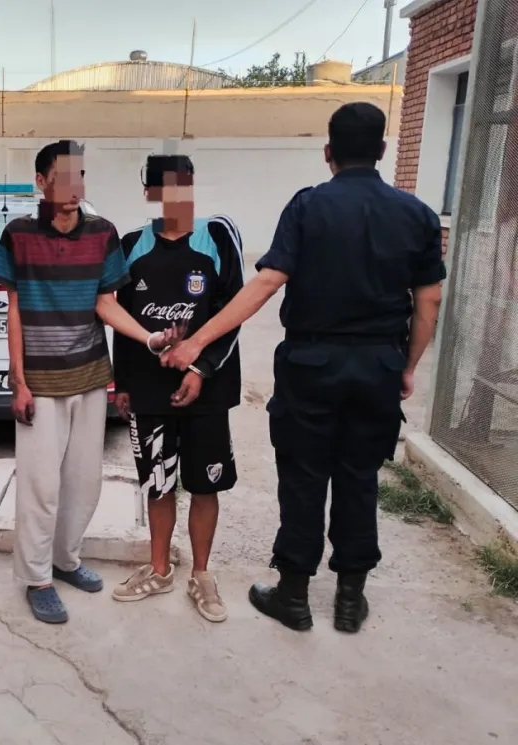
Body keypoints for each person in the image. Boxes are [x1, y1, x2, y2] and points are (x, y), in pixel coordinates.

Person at [161, 102, 446, 634]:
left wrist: (196, 341)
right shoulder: (418, 215)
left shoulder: (308, 206)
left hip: (311, 363)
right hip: (379, 363)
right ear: (383, 151)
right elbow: (427, 301)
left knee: (304, 478)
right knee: (360, 476)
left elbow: (266, 283)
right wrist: (405, 366)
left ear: (328, 152)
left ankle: (293, 595)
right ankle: (349, 599)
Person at [0, 140, 181, 624]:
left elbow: (106, 303)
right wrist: (19, 380)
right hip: (40, 380)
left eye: (81, 177)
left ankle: (66, 559)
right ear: (41, 182)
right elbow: (13, 309)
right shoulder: (17, 235)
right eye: (63, 177)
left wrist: (151, 338)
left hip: (92, 375)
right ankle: (36, 578)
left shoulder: (103, 233)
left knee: (82, 482)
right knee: (40, 486)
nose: (74, 188)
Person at [111, 154, 244, 623]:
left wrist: (201, 368)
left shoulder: (218, 236)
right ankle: (161, 568)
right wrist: (122, 381)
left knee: (205, 485)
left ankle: (202, 574)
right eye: (162, 187)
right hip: (148, 392)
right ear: (148, 191)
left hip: (207, 388)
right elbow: (121, 319)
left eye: (181, 186)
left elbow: (234, 310)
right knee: (158, 483)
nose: (172, 197)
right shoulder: (132, 245)